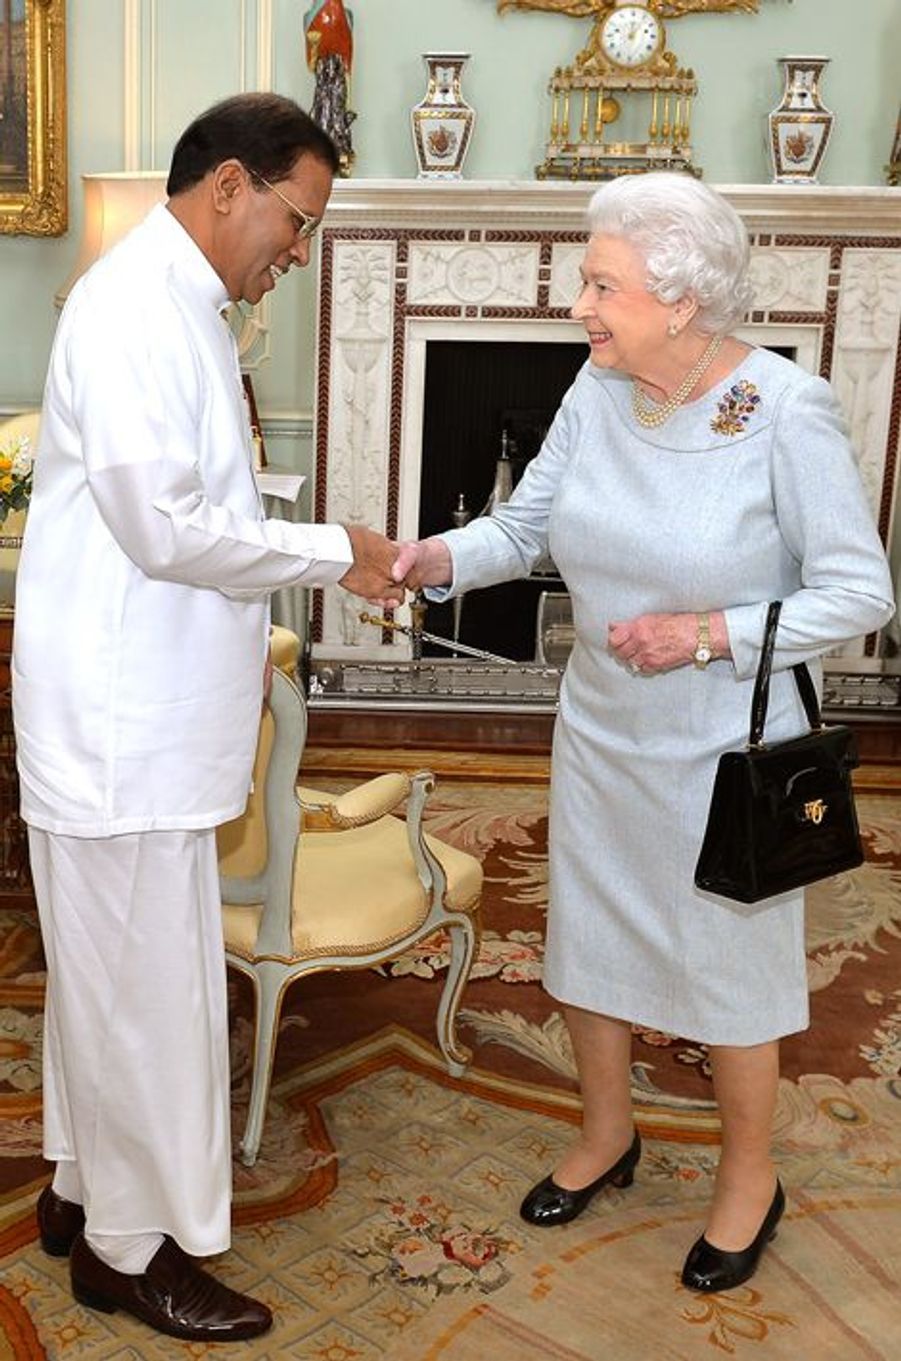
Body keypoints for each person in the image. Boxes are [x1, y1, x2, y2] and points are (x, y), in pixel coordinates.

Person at [392, 172, 894, 1293]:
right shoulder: (598, 388)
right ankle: (607, 1130)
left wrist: (710, 631)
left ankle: (747, 1177)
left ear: (678, 299)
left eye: (599, 282)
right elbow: (524, 527)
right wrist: (434, 558)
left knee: (730, 965)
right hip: (605, 729)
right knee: (593, 942)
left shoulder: (783, 408)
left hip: (729, 747)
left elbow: (859, 590)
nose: (578, 303)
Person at [13, 93, 402, 1343]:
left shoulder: (181, 303)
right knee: (146, 997)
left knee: (112, 980)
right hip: (120, 727)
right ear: (228, 184)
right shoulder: (135, 309)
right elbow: (161, 525)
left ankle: (83, 1191)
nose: (297, 250)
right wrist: (332, 548)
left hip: (143, 720)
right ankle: (129, 1254)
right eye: (296, 220)